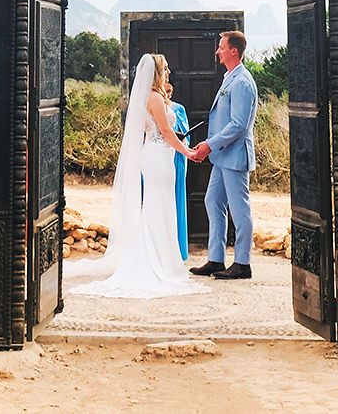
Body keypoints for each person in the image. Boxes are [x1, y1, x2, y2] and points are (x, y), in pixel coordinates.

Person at [72, 53, 205, 297]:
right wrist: (187, 151)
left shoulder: (152, 97)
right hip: (158, 159)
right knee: (157, 207)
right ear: (156, 74)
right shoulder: (154, 98)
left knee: (160, 207)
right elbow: (165, 131)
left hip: (158, 157)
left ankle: (164, 259)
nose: (168, 74)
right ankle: (156, 262)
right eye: (165, 70)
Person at [189, 30, 258, 279]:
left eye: (221, 46)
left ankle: (242, 263)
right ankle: (216, 259)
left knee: (240, 210)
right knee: (213, 201)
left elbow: (239, 124)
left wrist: (209, 144)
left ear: (233, 51)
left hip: (235, 156)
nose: (217, 51)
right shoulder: (230, 77)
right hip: (222, 156)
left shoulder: (242, 82)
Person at [164, 80, 191, 260]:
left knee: (177, 198)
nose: (168, 94)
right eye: (165, 90)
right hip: (158, 155)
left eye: (170, 91)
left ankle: (178, 247)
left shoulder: (178, 109)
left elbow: (185, 135)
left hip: (176, 156)